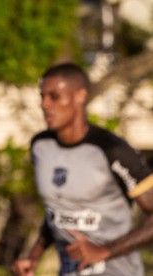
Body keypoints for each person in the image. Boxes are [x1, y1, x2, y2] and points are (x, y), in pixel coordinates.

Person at [12, 62, 153, 276]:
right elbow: (57, 212)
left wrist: (103, 251)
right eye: (42, 96)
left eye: (54, 96)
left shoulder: (111, 149)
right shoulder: (40, 146)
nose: (45, 105)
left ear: (80, 96)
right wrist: (34, 256)